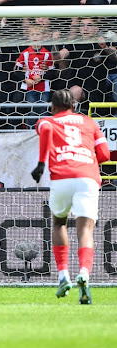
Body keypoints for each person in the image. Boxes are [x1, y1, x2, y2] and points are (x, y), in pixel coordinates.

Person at [31, 88, 110, 304]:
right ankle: (84, 274)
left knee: (59, 223)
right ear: (74, 106)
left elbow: (44, 128)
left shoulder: (49, 121)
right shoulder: (90, 123)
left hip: (62, 176)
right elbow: (103, 154)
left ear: (53, 107)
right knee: (85, 228)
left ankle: (63, 275)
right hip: (87, 176)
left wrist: (41, 163)